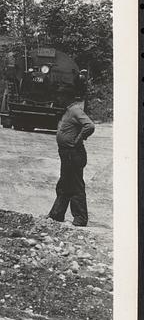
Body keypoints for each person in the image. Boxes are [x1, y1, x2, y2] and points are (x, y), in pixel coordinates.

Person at [47, 95, 95, 226]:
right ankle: (56, 214)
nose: (57, 100)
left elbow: (89, 126)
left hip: (73, 153)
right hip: (67, 153)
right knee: (64, 183)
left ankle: (80, 218)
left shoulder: (74, 110)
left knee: (75, 185)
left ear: (66, 99)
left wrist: (79, 138)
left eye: (60, 98)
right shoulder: (67, 111)